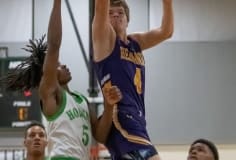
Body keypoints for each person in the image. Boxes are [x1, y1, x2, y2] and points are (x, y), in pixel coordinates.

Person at [0, 0, 122, 159]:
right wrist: (57, 3)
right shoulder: (51, 93)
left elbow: (100, 135)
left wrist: (109, 105)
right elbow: (54, 45)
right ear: (48, 72)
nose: (63, 65)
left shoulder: (82, 100)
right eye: (58, 65)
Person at [92, 0, 174, 159]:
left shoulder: (135, 42)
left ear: (127, 20)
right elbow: (101, 5)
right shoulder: (104, 40)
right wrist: (104, 9)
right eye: (110, 12)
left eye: (120, 12)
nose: (115, 14)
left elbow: (166, 31)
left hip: (138, 120)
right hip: (121, 117)